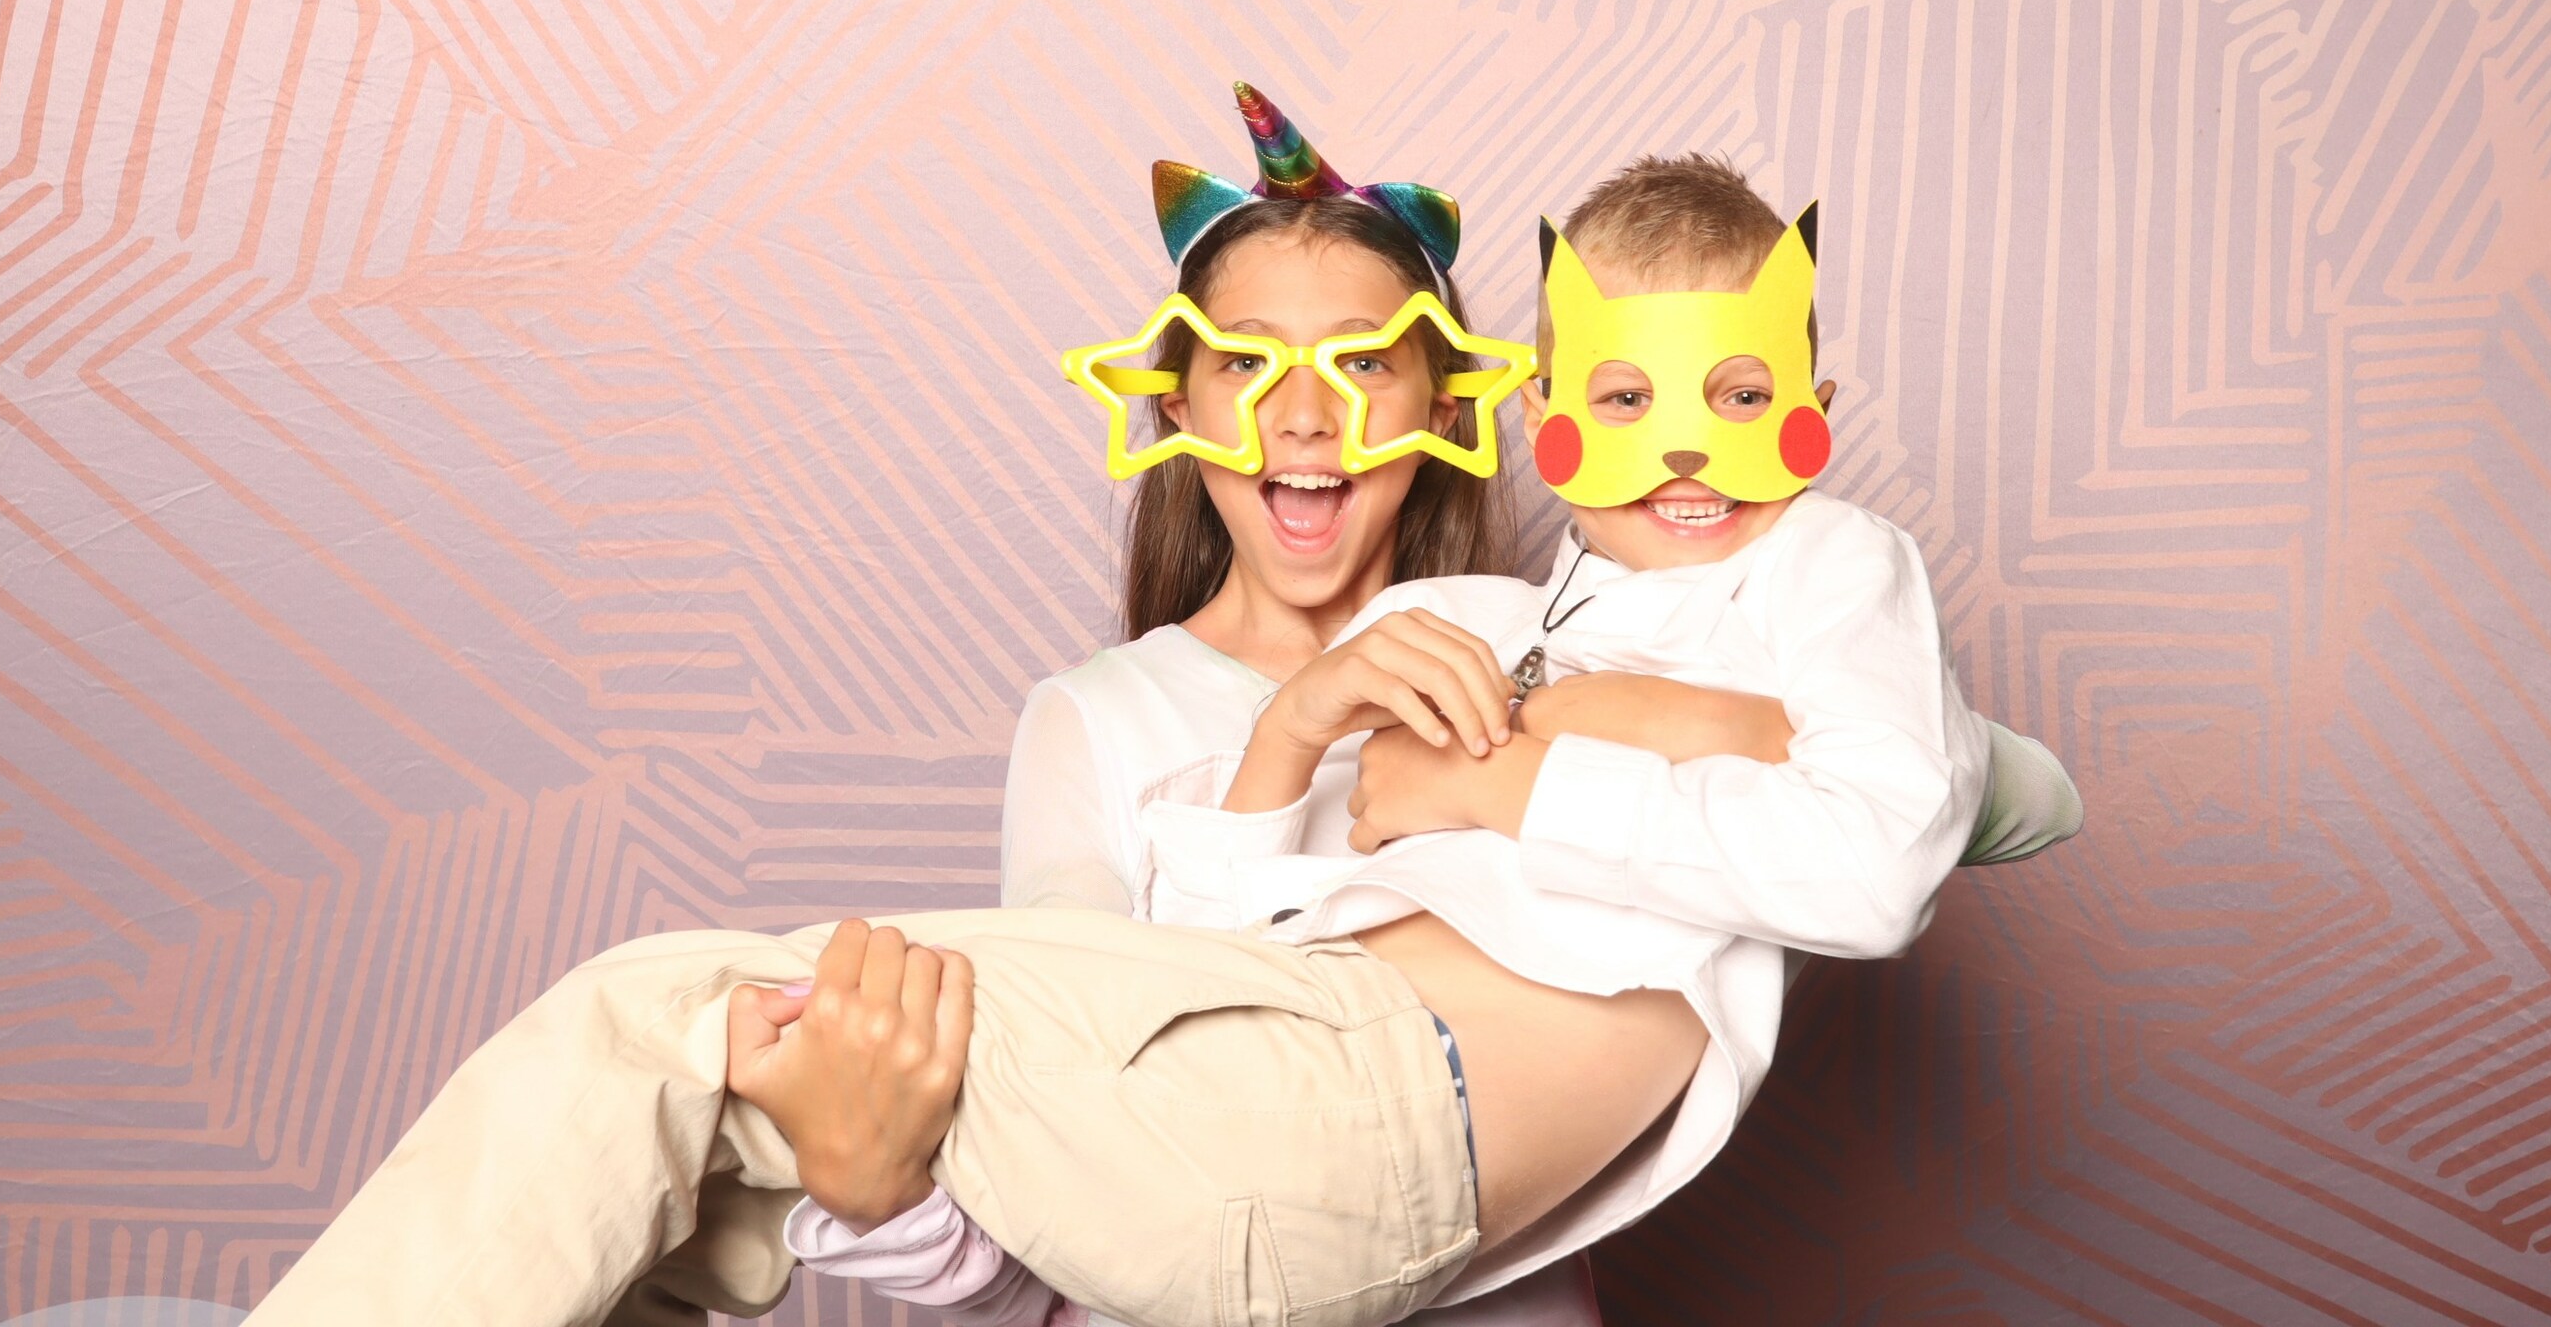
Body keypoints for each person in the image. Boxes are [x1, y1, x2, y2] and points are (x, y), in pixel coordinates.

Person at [769, 153, 2083, 1325]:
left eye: (1361, 361)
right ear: (1174, 404)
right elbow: (1109, 1132)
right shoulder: (1099, 723)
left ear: (1451, 404)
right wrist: (881, 1199)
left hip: (1460, 1241)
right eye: (1246, 363)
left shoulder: (1594, 631)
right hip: (1217, 1243)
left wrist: (1575, 737)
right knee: (743, 1001)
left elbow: (1981, 798)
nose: (1304, 416)